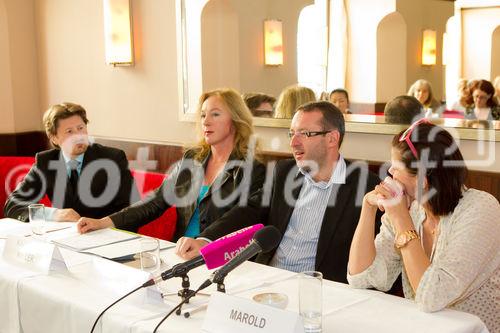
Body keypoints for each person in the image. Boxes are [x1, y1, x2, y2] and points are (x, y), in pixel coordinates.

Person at [176, 101, 381, 283]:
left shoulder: (365, 187)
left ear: (332, 138)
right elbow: (249, 211)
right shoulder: (285, 173)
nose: (293, 143)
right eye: (292, 134)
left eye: (305, 134)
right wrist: (205, 240)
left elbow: (375, 259)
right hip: (269, 279)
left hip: (321, 289)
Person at [347, 119, 499, 331]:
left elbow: (432, 297)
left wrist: (401, 219)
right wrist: (368, 207)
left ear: (422, 178)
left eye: (396, 167)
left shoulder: (481, 209)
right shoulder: (411, 208)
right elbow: (361, 277)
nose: (390, 172)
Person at [77, 88, 266, 241]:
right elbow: (156, 201)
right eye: (202, 115)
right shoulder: (192, 159)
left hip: (221, 258)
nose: (206, 121)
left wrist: (203, 242)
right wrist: (104, 222)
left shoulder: (253, 169)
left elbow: (239, 222)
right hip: (181, 251)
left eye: (215, 114)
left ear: (235, 121)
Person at [4, 103, 138, 222]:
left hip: (107, 240)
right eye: (69, 132)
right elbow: (13, 205)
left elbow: (132, 210)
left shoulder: (112, 158)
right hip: (63, 241)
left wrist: (102, 226)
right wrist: (55, 214)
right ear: (54, 138)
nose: (79, 136)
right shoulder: (46, 162)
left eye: (81, 128)